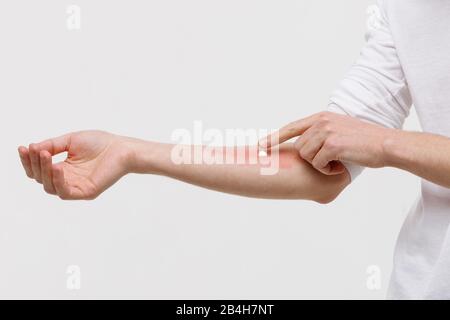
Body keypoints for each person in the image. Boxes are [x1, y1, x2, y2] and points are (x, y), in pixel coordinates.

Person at [17, 0, 450, 299]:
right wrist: (132, 153)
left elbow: (371, 142)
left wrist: (389, 144)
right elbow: (322, 172)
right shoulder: (404, 8)